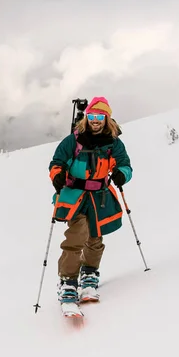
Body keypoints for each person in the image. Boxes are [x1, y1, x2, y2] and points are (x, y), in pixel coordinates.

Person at [48, 96, 133, 308]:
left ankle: (89, 274)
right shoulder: (73, 141)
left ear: (107, 119)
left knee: (95, 238)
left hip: (99, 197)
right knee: (77, 235)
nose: (96, 120)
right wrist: (57, 176)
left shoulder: (113, 143)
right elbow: (57, 162)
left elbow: (124, 164)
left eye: (100, 116)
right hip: (75, 195)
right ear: (87, 117)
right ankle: (67, 281)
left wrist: (122, 174)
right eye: (92, 116)